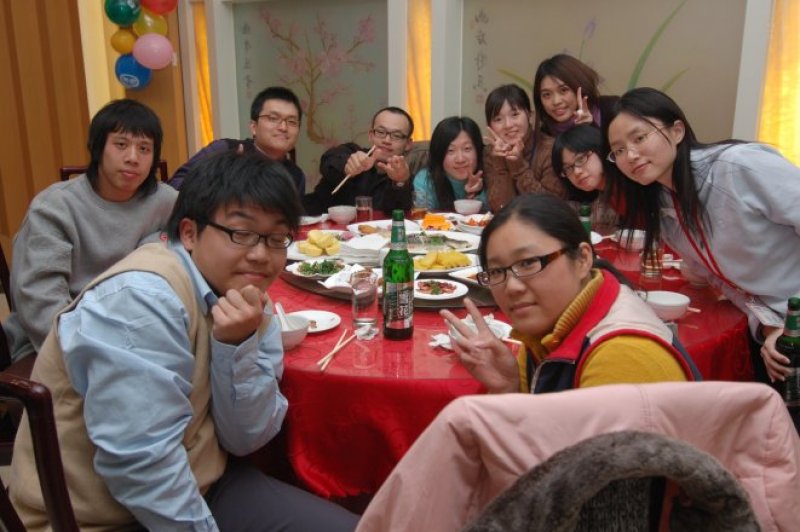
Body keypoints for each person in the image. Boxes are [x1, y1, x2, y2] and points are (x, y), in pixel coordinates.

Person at [9, 151, 359, 531]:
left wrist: (235, 346)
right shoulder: (142, 301)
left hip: (203, 481)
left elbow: (245, 438)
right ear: (190, 233)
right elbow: (142, 468)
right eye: (241, 234)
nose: (261, 255)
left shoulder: (251, 303)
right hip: (100, 517)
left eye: (277, 238)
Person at [603, 87, 800, 385]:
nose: (630, 155)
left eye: (639, 138)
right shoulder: (665, 209)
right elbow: (727, 283)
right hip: (779, 331)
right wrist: (770, 326)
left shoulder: (738, 167)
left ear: (677, 130)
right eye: (618, 150)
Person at [441, 194, 700, 394]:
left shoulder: (622, 357)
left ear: (583, 259)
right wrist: (509, 388)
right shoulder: (547, 330)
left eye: (528, 263)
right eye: (497, 271)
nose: (512, 287)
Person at [2, 99, 177, 364]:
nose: (133, 158)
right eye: (121, 145)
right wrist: (104, 354)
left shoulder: (167, 202)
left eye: (144, 148)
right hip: (53, 343)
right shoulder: (55, 208)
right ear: (97, 148)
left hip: (136, 334)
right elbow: (40, 306)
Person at [169, 86, 306, 194]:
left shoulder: (296, 175)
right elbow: (175, 186)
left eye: (292, 122)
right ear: (253, 127)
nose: (283, 127)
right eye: (273, 118)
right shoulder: (224, 150)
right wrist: (223, 180)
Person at [303, 106, 414, 215]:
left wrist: (399, 182)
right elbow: (328, 161)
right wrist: (347, 166)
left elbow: (398, 216)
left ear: (408, 144)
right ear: (371, 135)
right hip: (315, 221)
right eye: (381, 132)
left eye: (396, 135)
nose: (387, 140)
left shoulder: (404, 177)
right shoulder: (351, 151)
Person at [483, 84, 566, 212]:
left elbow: (549, 208)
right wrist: (500, 164)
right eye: (498, 119)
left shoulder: (550, 149)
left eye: (515, 114)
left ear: (529, 115)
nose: (508, 125)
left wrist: (519, 168)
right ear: (490, 126)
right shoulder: (490, 153)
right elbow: (500, 208)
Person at [551, 124, 621, 229]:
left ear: (599, 149)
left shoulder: (627, 185)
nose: (577, 172)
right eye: (568, 168)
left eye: (580, 159)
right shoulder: (598, 199)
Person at [532, 53, 618, 137]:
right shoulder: (544, 137)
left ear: (580, 85)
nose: (556, 101)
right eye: (547, 95)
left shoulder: (612, 108)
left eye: (563, 90)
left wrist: (591, 128)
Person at [412, 116, 487, 211]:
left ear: (478, 150)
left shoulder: (491, 176)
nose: (460, 159)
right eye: (450, 150)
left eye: (467, 148)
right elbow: (423, 217)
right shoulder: (425, 180)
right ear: (439, 153)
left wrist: (475, 196)